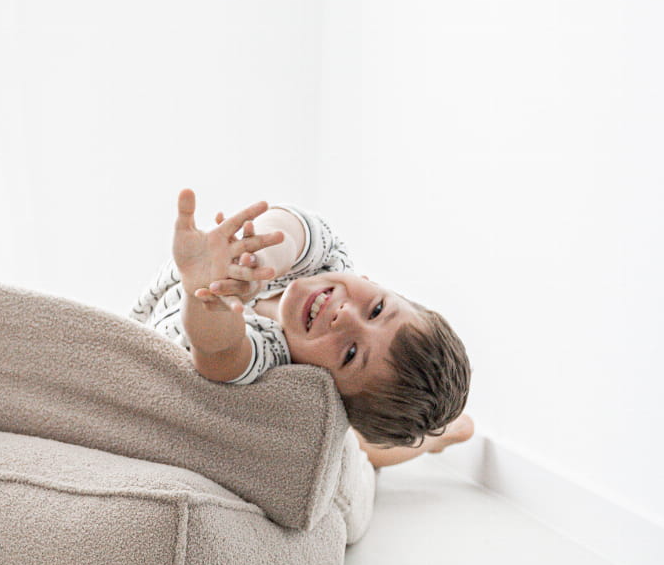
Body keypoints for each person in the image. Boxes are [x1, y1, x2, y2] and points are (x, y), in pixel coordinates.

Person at [133, 191, 472, 469]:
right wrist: (260, 262)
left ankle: (437, 438)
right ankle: (441, 434)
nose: (346, 316)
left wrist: (209, 295)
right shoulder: (328, 260)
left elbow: (218, 350)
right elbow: (288, 227)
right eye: (377, 309)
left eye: (351, 353)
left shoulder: (276, 360)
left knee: (357, 454)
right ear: (378, 284)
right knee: (359, 446)